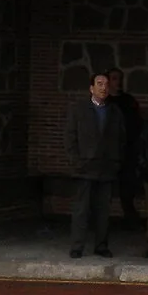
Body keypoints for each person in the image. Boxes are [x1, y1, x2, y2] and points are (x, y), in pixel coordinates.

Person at [63, 72, 126, 258]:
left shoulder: (115, 111)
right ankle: (77, 246)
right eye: (99, 84)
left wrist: (116, 161)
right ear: (91, 88)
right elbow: (70, 137)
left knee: (103, 211)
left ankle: (101, 245)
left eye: (106, 84)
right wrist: (76, 160)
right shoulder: (78, 109)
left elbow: (122, 139)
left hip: (106, 168)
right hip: (85, 167)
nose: (103, 87)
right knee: (82, 209)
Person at [107, 68, 145, 229]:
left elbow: (136, 124)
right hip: (108, 151)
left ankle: (130, 219)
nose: (118, 82)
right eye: (115, 78)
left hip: (127, 150)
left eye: (120, 78)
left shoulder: (128, 101)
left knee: (127, 187)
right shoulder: (105, 102)